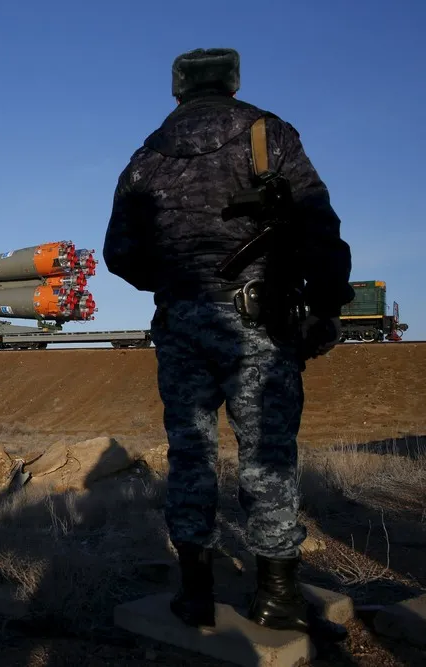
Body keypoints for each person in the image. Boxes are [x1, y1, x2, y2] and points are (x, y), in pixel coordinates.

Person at [101, 48, 354, 637]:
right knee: (267, 456)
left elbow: (119, 254)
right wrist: (324, 304)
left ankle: (195, 596)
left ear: (177, 89)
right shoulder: (268, 136)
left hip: (180, 325)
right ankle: (277, 597)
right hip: (259, 324)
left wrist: (172, 281)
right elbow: (321, 226)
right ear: (234, 82)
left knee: (190, 456)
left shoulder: (146, 158)